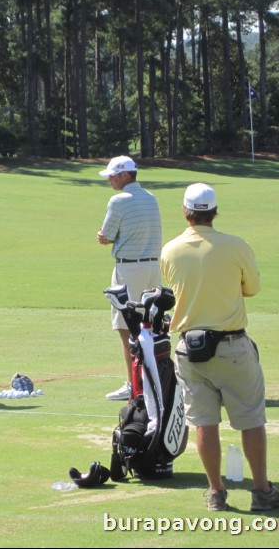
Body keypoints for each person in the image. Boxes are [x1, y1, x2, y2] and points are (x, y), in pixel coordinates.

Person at [161, 183, 279, 512]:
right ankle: (261, 492)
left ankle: (216, 492)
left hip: (189, 351)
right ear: (214, 211)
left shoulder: (171, 249)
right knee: (250, 420)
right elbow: (253, 288)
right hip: (232, 346)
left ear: (185, 211)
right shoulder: (236, 246)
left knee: (204, 422)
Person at [96, 155, 162, 401]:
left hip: (129, 270)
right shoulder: (151, 197)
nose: (110, 180)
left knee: (128, 329)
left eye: (113, 175)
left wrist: (103, 237)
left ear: (125, 175)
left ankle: (134, 385)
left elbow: (108, 234)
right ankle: (153, 381)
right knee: (151, 328)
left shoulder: (118, 200)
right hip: (153, 269)